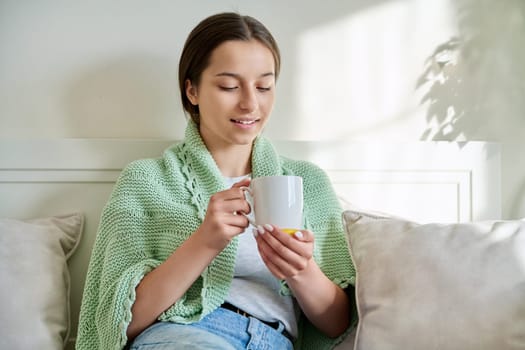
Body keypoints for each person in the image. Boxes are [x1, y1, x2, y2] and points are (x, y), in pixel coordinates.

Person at [76, 12, 356, 350]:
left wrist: (302, 270)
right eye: (229, 86)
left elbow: (337, 323)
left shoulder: (307, 183)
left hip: (276, 342)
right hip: (182, 335)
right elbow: (120, 322)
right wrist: (205, 241)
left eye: (264, 86)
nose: (251, 103)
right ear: (192, 90)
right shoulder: (146, 181)